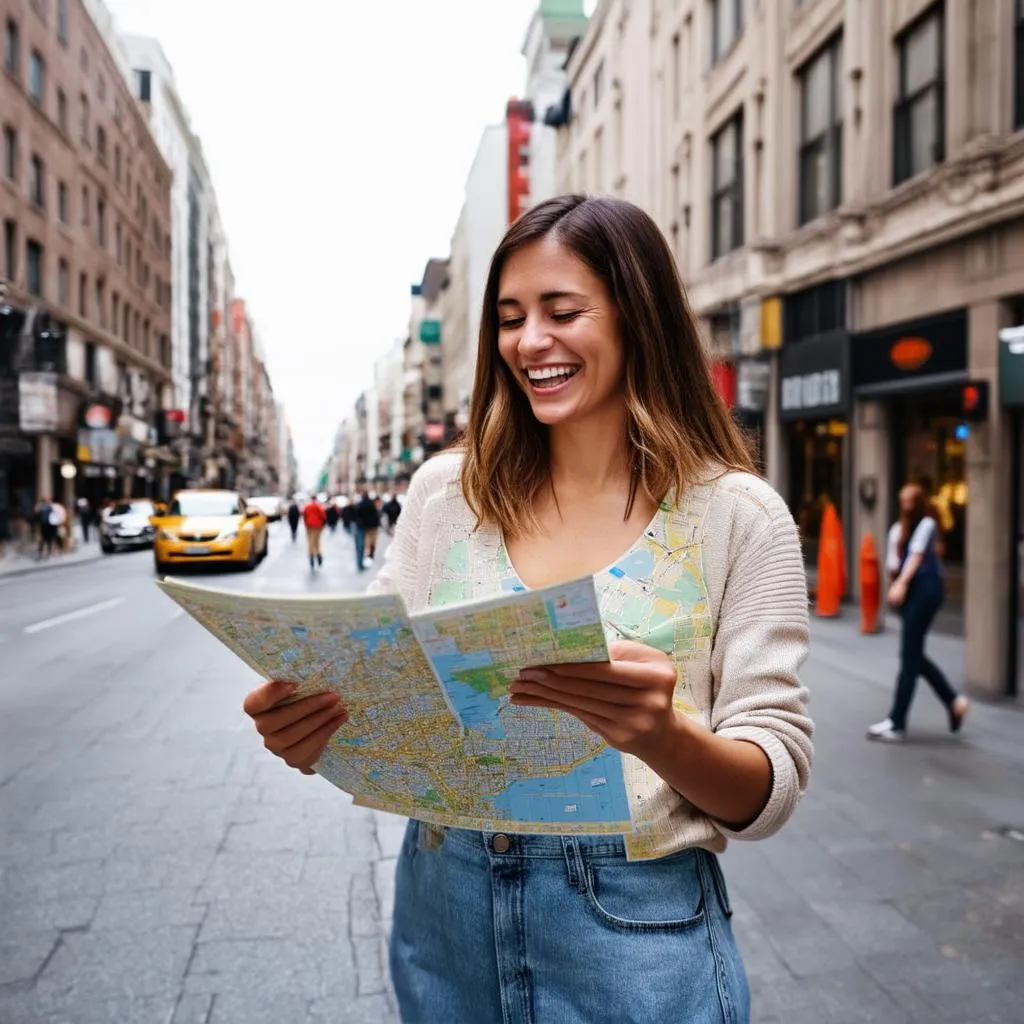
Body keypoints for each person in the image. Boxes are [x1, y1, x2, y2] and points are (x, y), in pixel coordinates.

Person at [242, 195, 813, 1023]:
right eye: (510, 318)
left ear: (636, 314)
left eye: (562, 310)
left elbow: (773, 786)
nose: (529, 341)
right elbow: (374, 677)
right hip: (444, 904)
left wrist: (663, 736)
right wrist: (314, 728)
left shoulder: (739, 516)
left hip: (630, 925)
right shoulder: (446, 494)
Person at [867, 483, 969, 743]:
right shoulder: (898, 529)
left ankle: (897, 721)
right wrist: (896, 585)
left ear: (920, 502)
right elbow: (893, 562)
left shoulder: (926, 525)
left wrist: (900, 583)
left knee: (910, 657)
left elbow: (916, 556)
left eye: (910, 502)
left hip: (926, 592)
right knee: (913, 655)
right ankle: (954, 702)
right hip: (910, 594)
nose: (906, 507)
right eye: (903, 502)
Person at [351, 490, 381, 571]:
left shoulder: (360, 505)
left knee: (361, 546)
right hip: (372, 527)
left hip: (362, 527)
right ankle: (368, 557)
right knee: (372, 543)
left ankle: (360, 563)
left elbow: (355, 516)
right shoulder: (372, 504)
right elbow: (376, 515)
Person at [302, 496, 326, 570]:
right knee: (317, 541)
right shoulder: (319, 506)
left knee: (310, 542)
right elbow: (323, 516)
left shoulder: (307, 506)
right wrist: (323, 525)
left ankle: (311, 555)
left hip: (310, 526)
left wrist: (306, 525)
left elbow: (304, 516)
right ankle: (318, 554)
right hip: (318, 526)